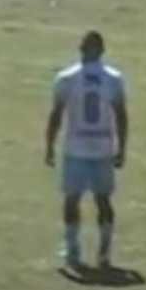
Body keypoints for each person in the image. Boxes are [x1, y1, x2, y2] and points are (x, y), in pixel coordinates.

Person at [44, 31, 129, 270]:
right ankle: (104, 252)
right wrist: (122, 147)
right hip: (102, 148)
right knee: (103, 201)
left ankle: (72, 249)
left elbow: (56, 115)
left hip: (76, 149)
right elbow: (121, 116)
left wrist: (49, 145)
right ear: (102, 51)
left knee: (72, 199)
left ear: (81, 50)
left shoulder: (67, 78)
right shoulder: (113, 78)